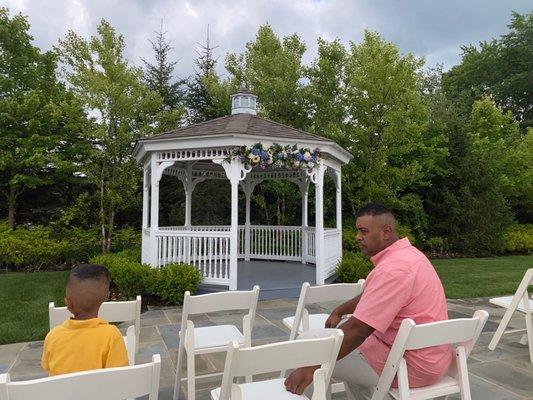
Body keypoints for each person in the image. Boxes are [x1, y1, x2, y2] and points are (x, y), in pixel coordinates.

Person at [285, 203, 453, 400]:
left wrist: (310, 367)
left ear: (386, 232)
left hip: (409, 365)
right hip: (430, 357)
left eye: (363, 231)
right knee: (324, 340)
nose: (357, 237)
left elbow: (359, 330)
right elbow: (371, 297)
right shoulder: (410, 255)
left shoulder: (393, 270)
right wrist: (340, 310)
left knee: (306, 348)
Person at [41, 264, 129, 376]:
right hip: (99, 393)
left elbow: (47, 367)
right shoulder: (111, 335)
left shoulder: (52, 336)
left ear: (69, 304)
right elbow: (120, 376)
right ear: (106, 297)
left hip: (61, 393)